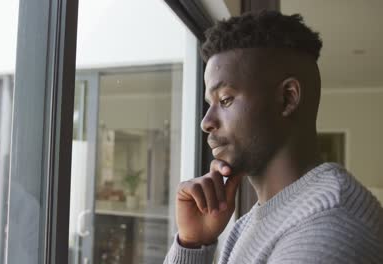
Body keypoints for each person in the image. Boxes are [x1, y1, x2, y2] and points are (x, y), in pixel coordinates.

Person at [164, 10, 383, 264]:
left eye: (225, 100)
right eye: (209, 103)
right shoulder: (257, 220)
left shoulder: (327, 227)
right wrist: (192, 243)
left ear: (288, 98)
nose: (206, 123)